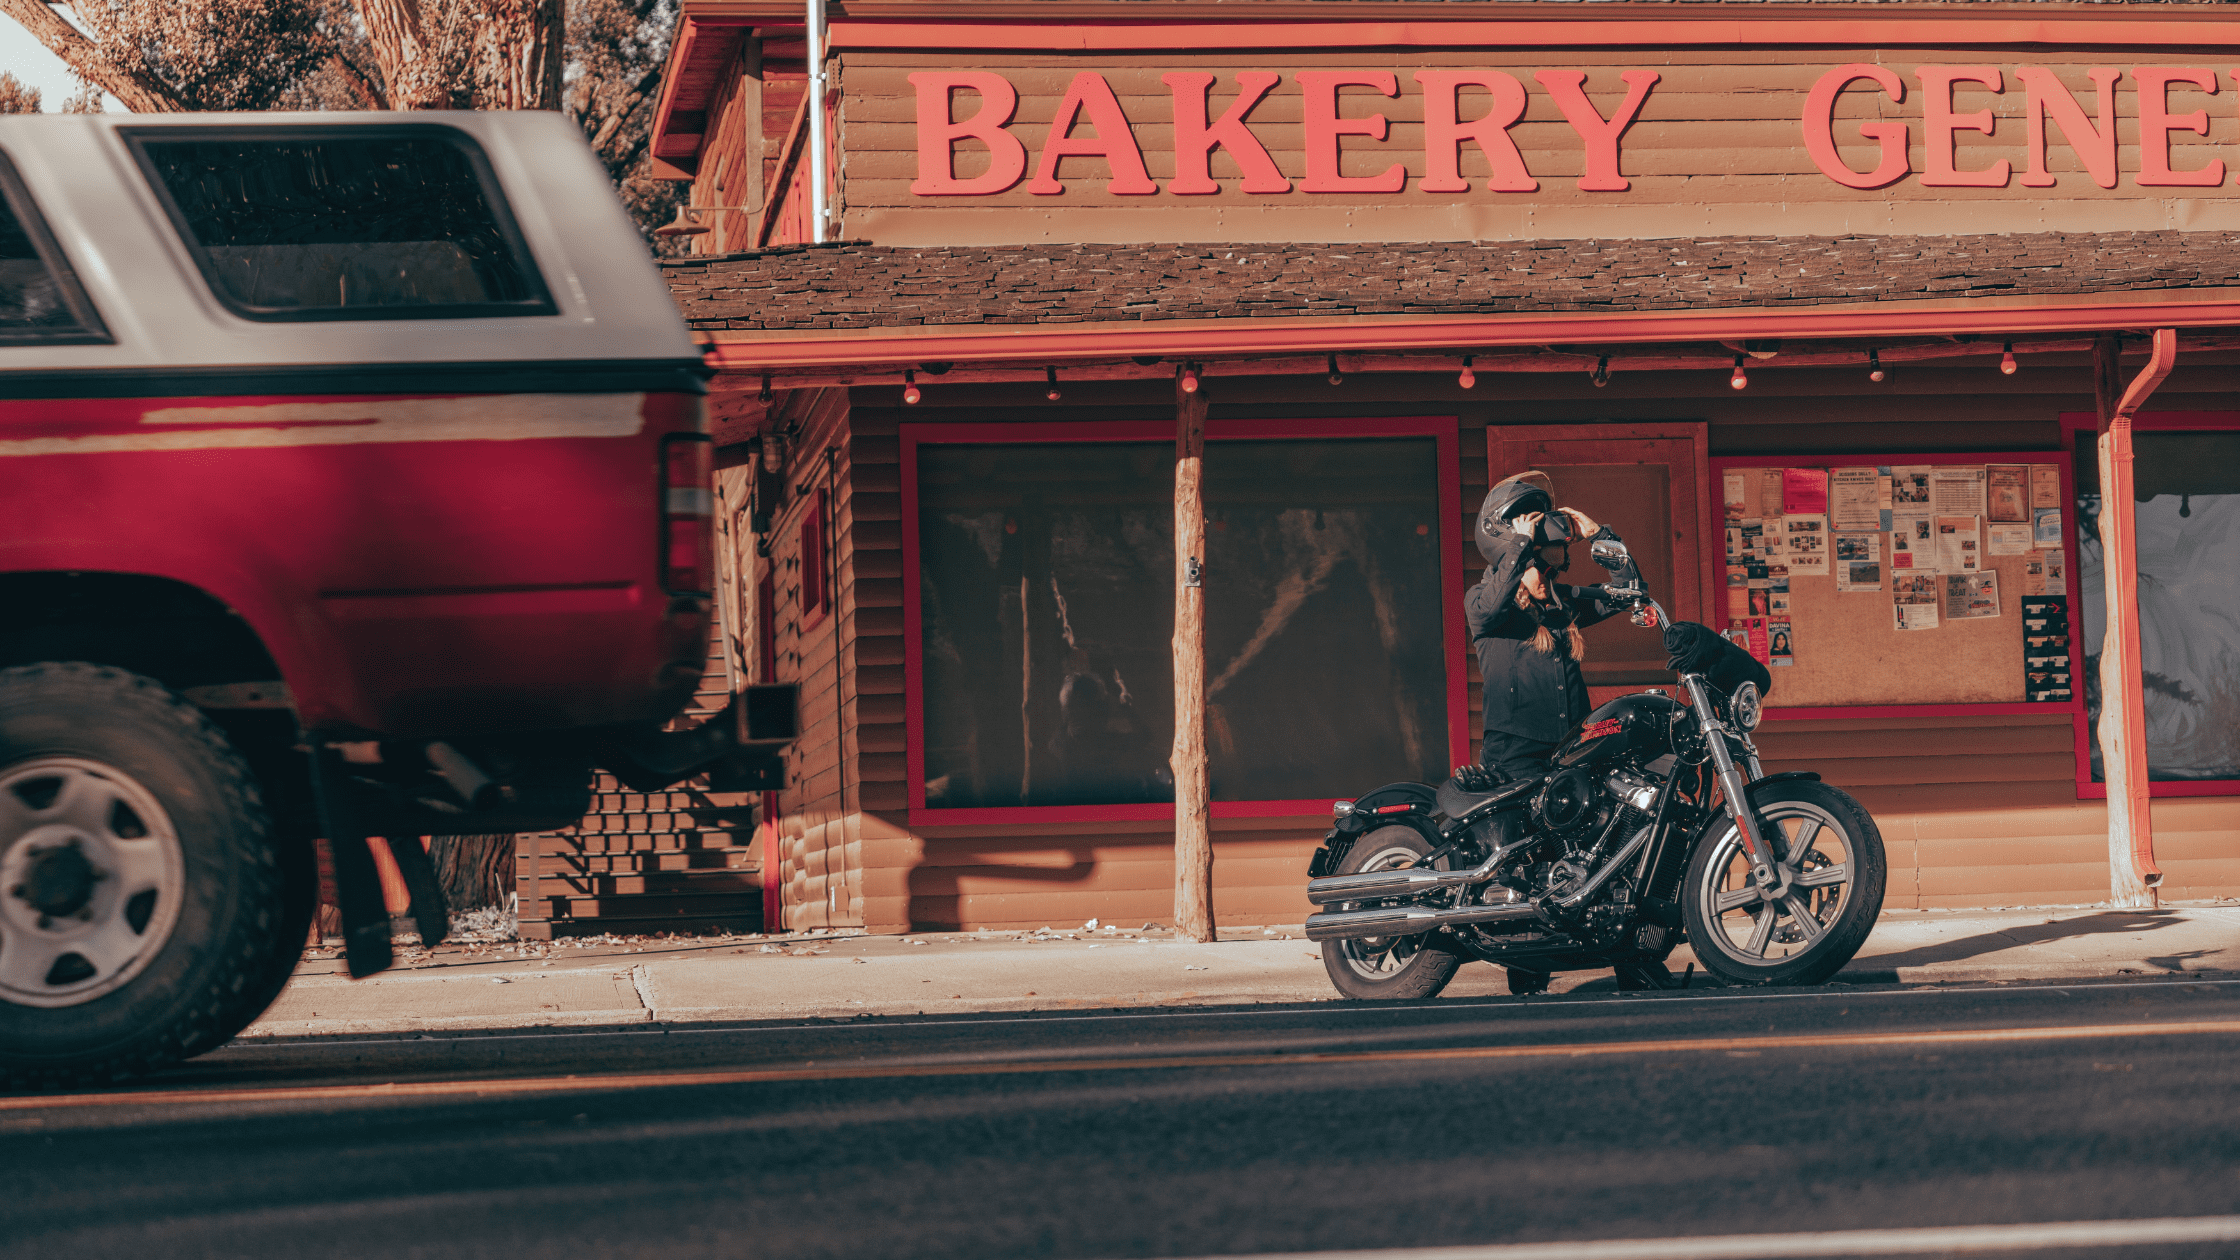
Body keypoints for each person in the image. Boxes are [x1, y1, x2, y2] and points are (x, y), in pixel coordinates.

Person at [1465, 472, 1625, 782]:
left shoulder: (1562, 603)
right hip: (1515, 756)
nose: (1547, 578)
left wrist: (1598, 535)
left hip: (1571, 748)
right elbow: (1493, 603)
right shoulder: (1485, 604)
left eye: (1552, 571)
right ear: (1518, 567)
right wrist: (1520, 543)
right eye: (1540, 569)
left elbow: (1627, 591)